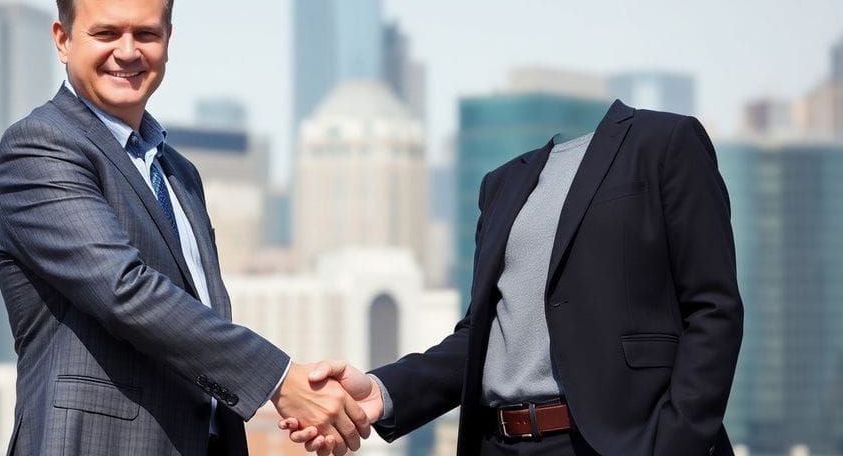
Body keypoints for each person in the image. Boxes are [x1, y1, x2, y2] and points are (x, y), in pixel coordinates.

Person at [0, 0, 368, 455]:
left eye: (146, 34)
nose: (127, 51)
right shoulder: (40, 146)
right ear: (62, 39)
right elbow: (124, 290)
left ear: (167, 42)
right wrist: (280, 381)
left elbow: (202, 315)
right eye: (105, 33)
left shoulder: (178, 173)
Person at [284, 100, 744, 455]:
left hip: (620, 442)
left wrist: (677, 442)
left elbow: (714, 308)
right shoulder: (503, 183)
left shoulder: (664, 142)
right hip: (499, 443)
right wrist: (382, 393)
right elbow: (483, 337)